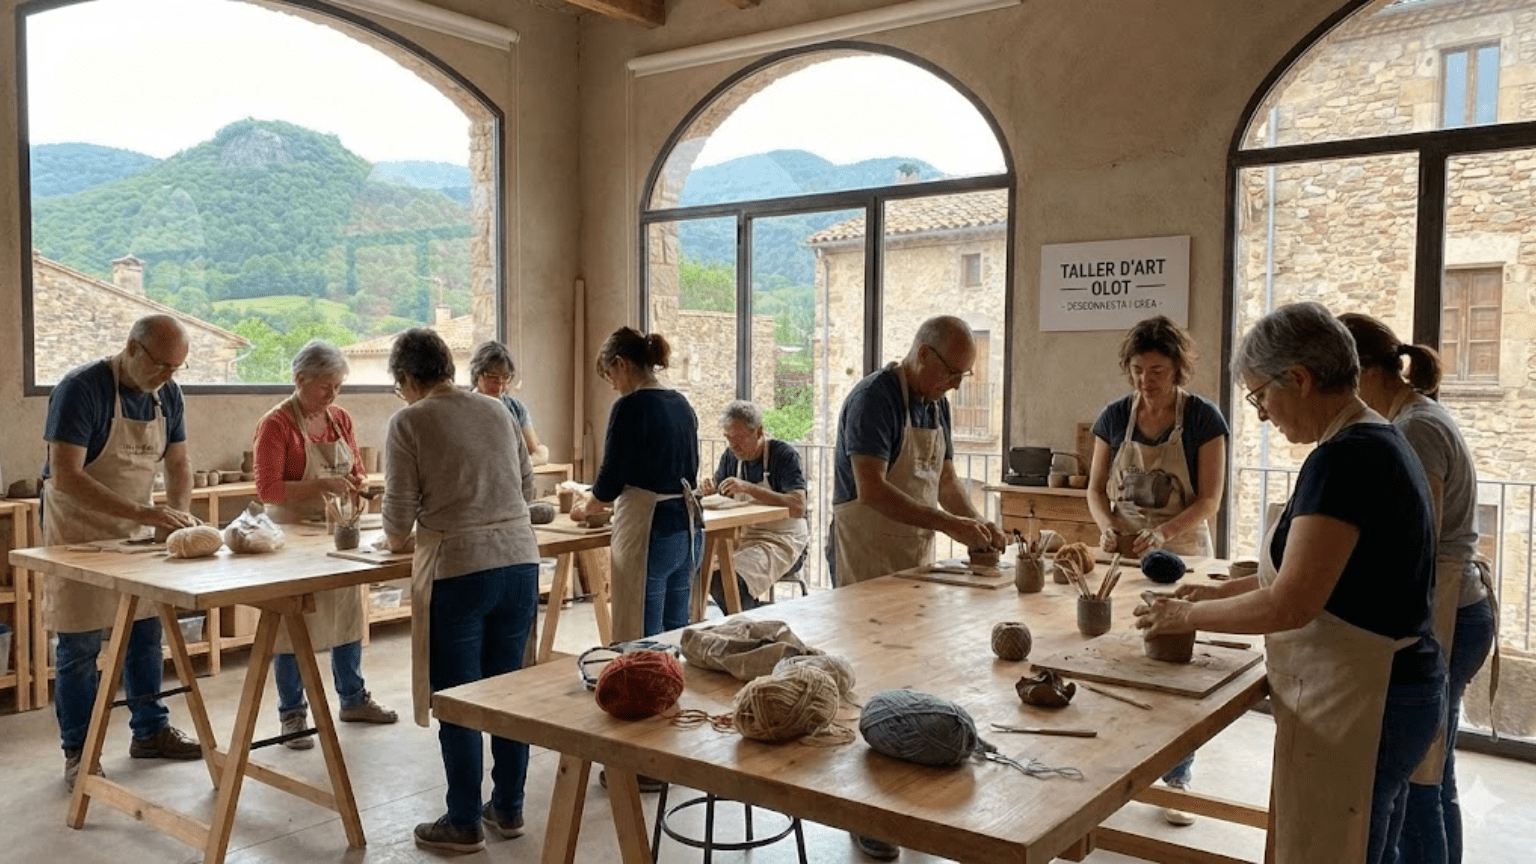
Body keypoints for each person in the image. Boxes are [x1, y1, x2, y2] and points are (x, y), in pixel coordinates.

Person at [1135, 301, 1445, 864]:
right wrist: (1213, 594)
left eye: (1261, 397)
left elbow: (1291, 603)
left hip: (1370, 700)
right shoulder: (1374, 438)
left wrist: (1185, 617)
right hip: (1393, 688)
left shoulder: (1347, 459)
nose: (1263, 415)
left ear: (1299, 380)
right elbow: (1308, 573)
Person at [826, 314, 1004, 862]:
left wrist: (978, 525)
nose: (956, 384)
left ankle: (909, 797)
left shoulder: (935, 404)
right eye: (953, 372)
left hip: (912, 554)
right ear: (924, 355)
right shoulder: (875, 398)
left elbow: (946, 483)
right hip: (867, 549)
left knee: (914, 674)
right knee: (873, 684)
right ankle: (867, 813)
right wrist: (952, 528)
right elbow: (873, 490)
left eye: (963, 376)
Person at [1341, 312, 1494, 864]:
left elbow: (1416, 537)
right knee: (1434, 772)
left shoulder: (1415, 428)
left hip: (1451, 607)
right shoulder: (1419, 417)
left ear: (1363, 372)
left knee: (1423, 782)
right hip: (1459, 607)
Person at [382, 328, 540, 854]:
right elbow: (527, 486)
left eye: (399, 385)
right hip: (519, 560)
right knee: (508, 695)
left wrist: (394, 537)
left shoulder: (408, 421)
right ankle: (510, 808)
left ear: (406, 378)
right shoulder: (497, 410)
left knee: (460, 698)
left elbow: (398, 520)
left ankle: (463, 820)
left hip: (462, 568)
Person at [41, 314, 203, 789]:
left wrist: (179, 519)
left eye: (177, 368)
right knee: (80, 645)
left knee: (145, 633)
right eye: (160, 365)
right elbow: (66, 474)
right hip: (77, 531)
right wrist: (148, 515)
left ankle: (149, 730)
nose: (167, 377)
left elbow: (179, 463)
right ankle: (79, 751)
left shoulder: (168, 394)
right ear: (133, 348)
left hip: (136, 530)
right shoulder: (82, 388)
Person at [1084, 315, 1228, 824]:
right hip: (1121, 552)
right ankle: (1114, 767)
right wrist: (1104, 527)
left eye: (1159, 370)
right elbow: (1096, 490)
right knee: (1112, 655)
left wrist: (1164, 535)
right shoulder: (1114, 416)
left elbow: (1210, 498)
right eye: (1139, 369)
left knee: (1172, 661)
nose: (1148, 379)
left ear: (1178, 369)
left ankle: (1178, 774)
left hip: (1182, 550)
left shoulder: (1204, 419)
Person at [251, 339, 397, 749]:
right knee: (292, 624)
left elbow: (358, 469)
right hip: (293, 535)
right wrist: (321, 485)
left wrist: (356, 484)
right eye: (324, 387)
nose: (331, 395)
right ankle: (292, 714)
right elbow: (267, 489)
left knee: (347, 614)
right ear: (300, 380)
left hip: (337, 531)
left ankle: (352, 698)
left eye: (338, 386)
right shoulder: (276, 425)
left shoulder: (339, 420)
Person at [571, 326, 702, 643]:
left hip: (651, 530)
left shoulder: (631, 407)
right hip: (687, 529)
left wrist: (588, 506)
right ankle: (671, 686)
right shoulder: (681, 403)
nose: (613, 386)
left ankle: (642, 688)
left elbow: (612, 476)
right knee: (676, 628)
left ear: (622, 364)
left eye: (610, 376)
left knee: (641, 632)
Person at [699, 400, 809, 612]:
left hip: (782, 539)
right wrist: (711, 492)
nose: (733, 446)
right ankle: (747, 620)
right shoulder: (731, 457)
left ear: (758, 432)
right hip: (743, 537)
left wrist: (749, 488)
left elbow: (798, 506)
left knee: (730, 581)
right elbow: (723, 496)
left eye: (739, 439)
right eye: (728, 439)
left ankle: (751, 624)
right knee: (704, 570)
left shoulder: (783, 455)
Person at [468, 340, 548, 465]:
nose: (500, 384)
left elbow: (537, 449)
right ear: (478, 374)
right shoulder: (464, 407)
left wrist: (529, 462)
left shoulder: (516, 408)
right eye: (493, 377)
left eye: (505, 377)